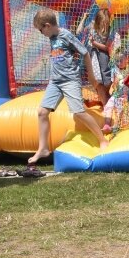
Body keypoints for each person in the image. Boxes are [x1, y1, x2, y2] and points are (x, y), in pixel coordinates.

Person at [28, 8, 109, 164]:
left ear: (47, 25)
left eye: (40, 30)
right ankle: (43, 148)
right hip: (55, 81)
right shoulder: (51, 36)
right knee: (42, 112)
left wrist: (91, 76)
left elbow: (85, 52)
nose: (41, 33)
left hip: (70, 80)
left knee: (78, 112)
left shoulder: (66, 35)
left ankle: (102, 140)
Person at [89, 8, 112, 106]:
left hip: (104, 56)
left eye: (106, 23)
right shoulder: (93, 28)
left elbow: (107, 48)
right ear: (98, 21)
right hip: (95, 57)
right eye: (103, 23)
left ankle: (106, 100)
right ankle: (105, 104)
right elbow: (79, 32)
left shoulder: (110, 30)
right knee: (99, 82)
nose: (104, 25)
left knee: (107, 80)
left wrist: (94, 43)